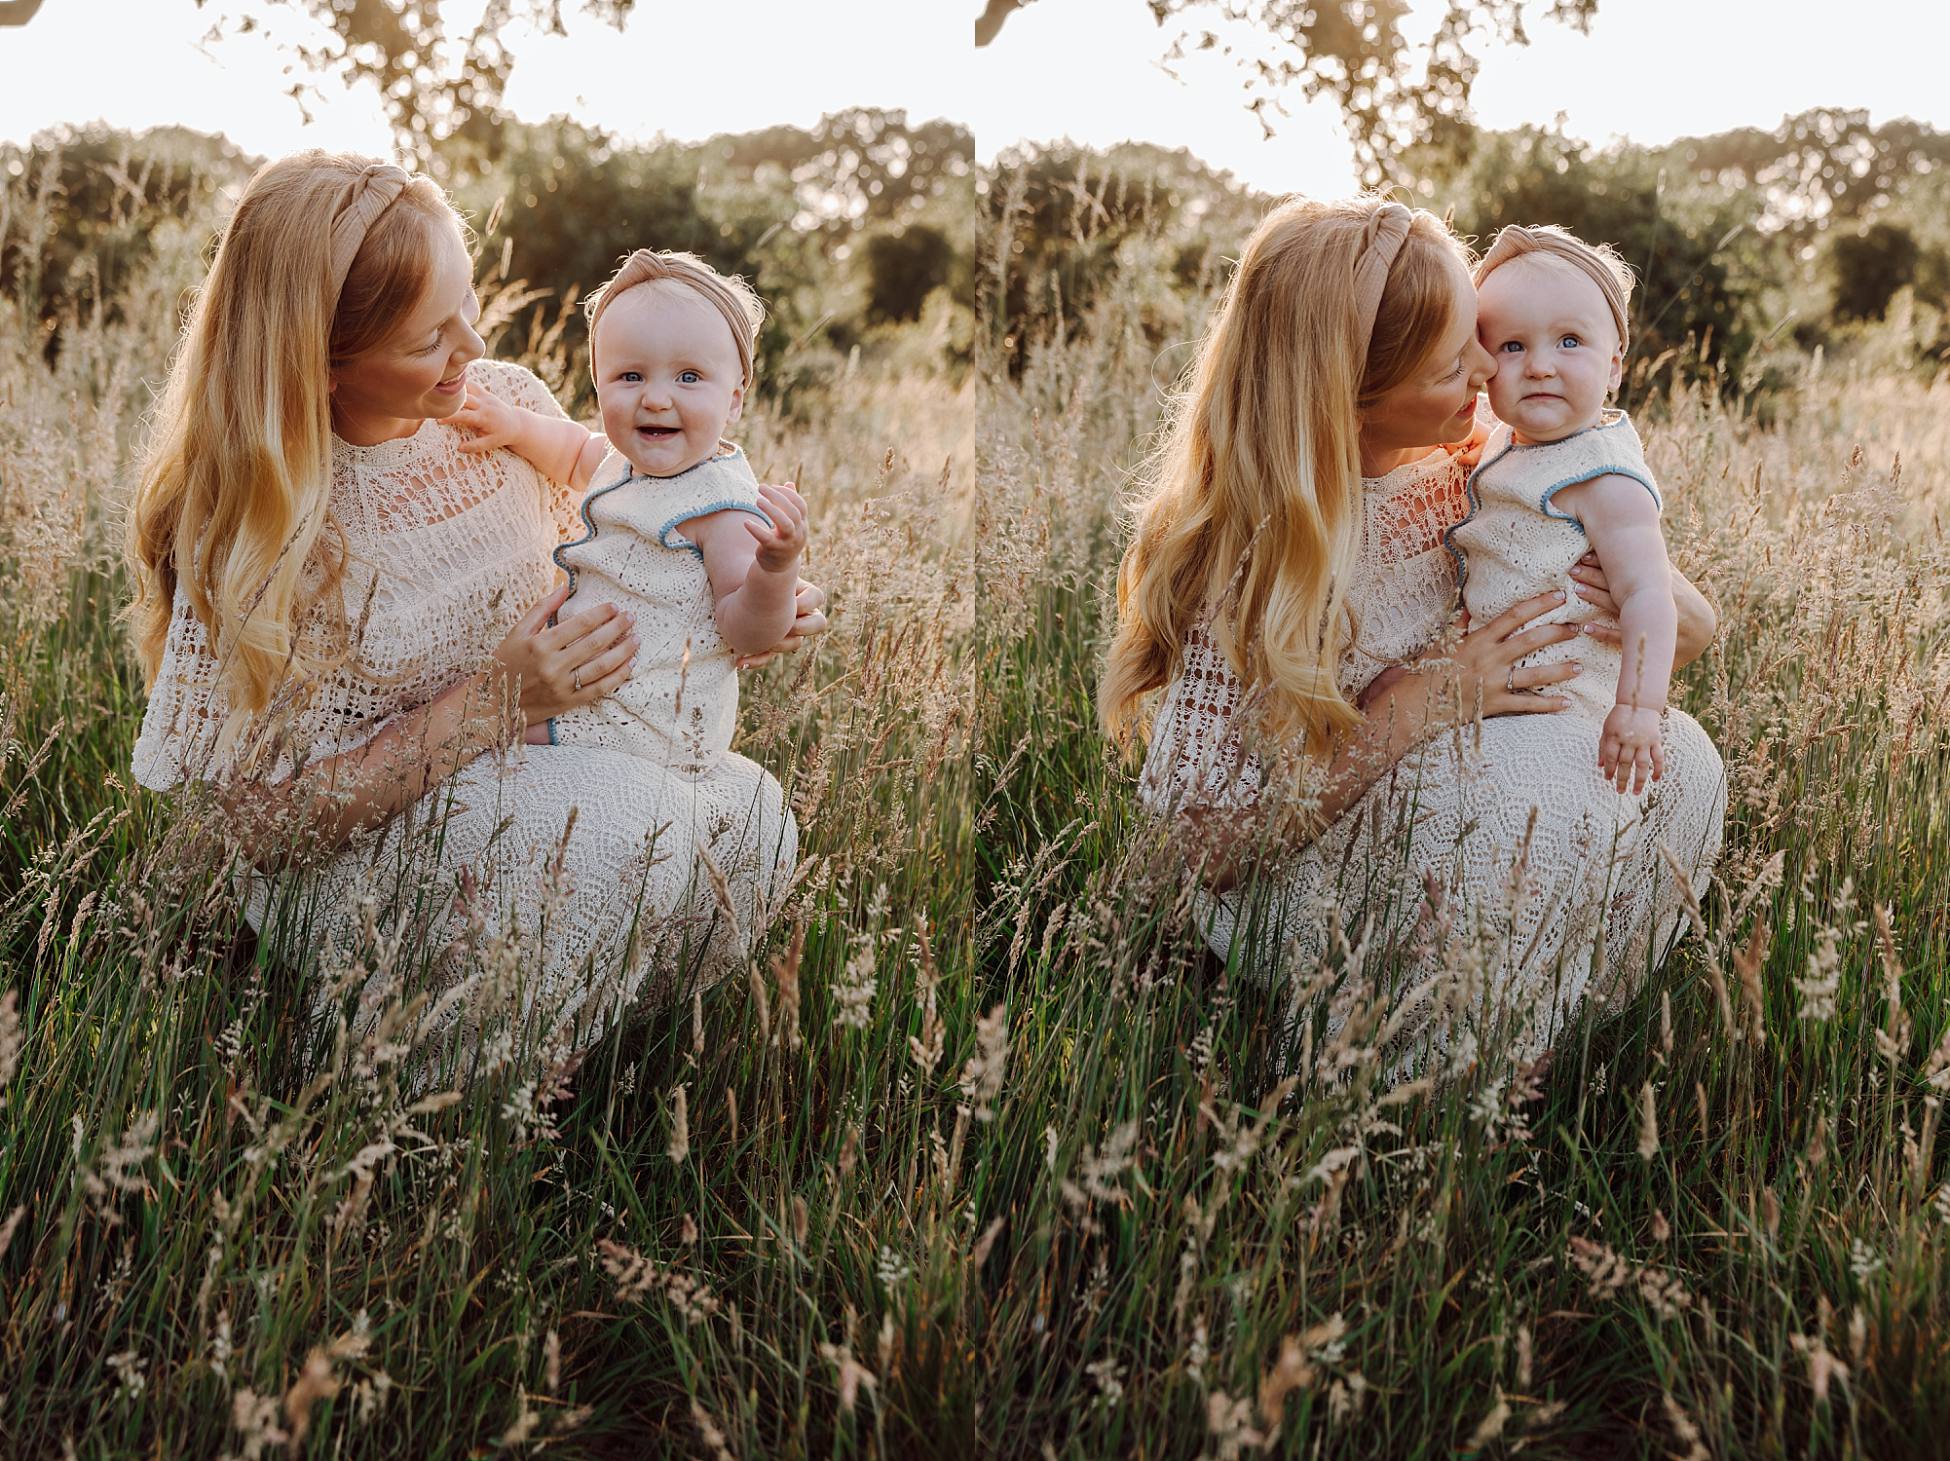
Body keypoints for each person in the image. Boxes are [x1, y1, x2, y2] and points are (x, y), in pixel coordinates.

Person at [125, 152, 823, 1077]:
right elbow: (256, 829)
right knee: (631, 828)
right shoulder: (255, 529)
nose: (471, 345)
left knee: (755, 817)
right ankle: (439, 1107)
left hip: (551, 763)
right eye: (427, 339)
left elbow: (638, 561)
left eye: (466, 303)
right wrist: (493, 700)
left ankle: (573, 1047)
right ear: (322, 365)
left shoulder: (504, 406)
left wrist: (732, 614)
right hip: (365, 848)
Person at [1101, 196, 1726, 1074]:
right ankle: (1392, 1084)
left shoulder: (1474, 460)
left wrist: (1675, 613)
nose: (1489, 370)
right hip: (1311, 859)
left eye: (1481, 335)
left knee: (1684, 759)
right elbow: (1198, 850)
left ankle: (1538, 1035)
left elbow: (1647, 608)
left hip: (1468, 779)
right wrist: (1413, 711)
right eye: (1451, 365)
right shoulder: (1252, 560)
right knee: (1526, 796)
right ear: (1352, 398)